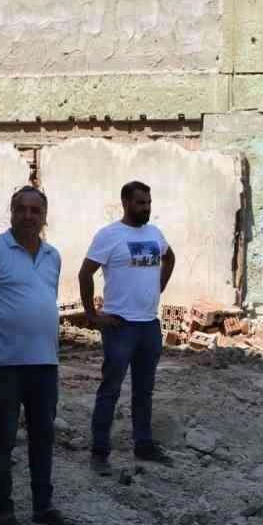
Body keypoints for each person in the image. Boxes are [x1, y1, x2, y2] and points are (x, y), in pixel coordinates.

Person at [0, 186, 69, 525]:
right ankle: (4, 511)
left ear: (44, 216)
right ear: (11, 212)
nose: (28, 216)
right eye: (21, 209)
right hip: (5, 365)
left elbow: (43, 301)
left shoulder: (53, 256)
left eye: (35, 210)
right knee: (4, 438)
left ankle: (43, 506)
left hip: (45, 363)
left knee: (43, 436)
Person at [79, 181, 176, 475]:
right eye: (140, 203)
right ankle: (99, 451)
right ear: (125, 203)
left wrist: (159, 287)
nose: (146, 208)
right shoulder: (109, 235)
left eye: (148, 203)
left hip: (149, 325)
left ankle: (143, 445)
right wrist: (92, 315)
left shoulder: (154, 233)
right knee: (110, 389)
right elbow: (85, 273)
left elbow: (169, 257)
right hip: (120, 326)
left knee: (144, 390)